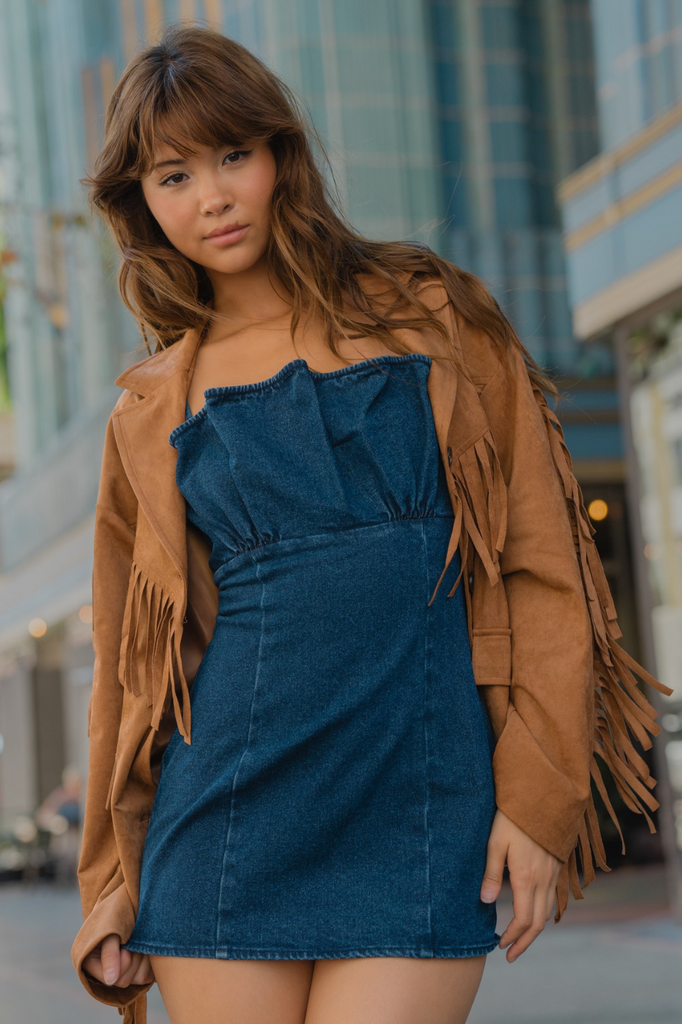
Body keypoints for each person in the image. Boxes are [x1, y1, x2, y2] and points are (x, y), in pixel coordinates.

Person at [70, 24, 671, 1024]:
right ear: (141, 202)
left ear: (279, 156)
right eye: (173, 176)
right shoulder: (148, 410)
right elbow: (132, 678)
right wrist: (108, 876)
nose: (212, 196)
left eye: (231, 155)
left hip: (419, 798)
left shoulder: (434, 317)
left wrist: (537, 796)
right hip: (222, 816)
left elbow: (543, 567)